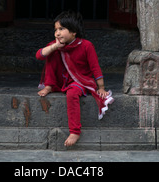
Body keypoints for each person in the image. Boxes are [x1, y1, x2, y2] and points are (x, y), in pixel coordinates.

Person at [36, 10, 114, 147]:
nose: (57, 33)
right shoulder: (57, 45)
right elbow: (39, 56)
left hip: (79, 82)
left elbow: (95, 68)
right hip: (60, 81)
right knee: (51, 53)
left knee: (72, 94)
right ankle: (49, 85)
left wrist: (101, 87)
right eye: (55, 30)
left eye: (61, 29)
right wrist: (55, 46)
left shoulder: (86, 46)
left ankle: (75, 131)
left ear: (74, 32)